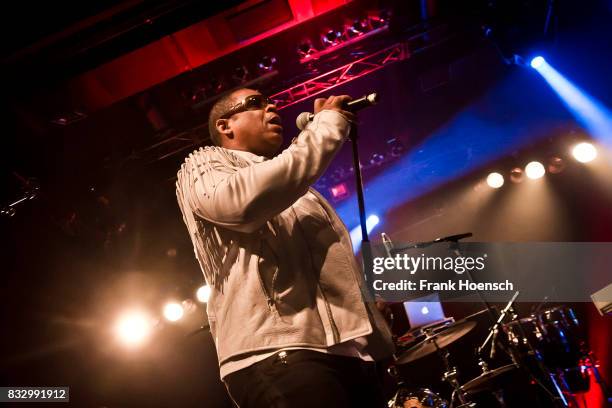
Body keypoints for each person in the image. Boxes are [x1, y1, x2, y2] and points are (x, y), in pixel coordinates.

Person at [175, 88, 394, 407]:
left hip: (346, 350)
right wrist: (326, 126)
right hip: (275, 353)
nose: (272, 105)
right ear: (226, 126)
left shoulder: (297, 191)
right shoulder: (203, 163)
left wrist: (366, 308)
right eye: (255, 104)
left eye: (270, 101)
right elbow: (241, 203)